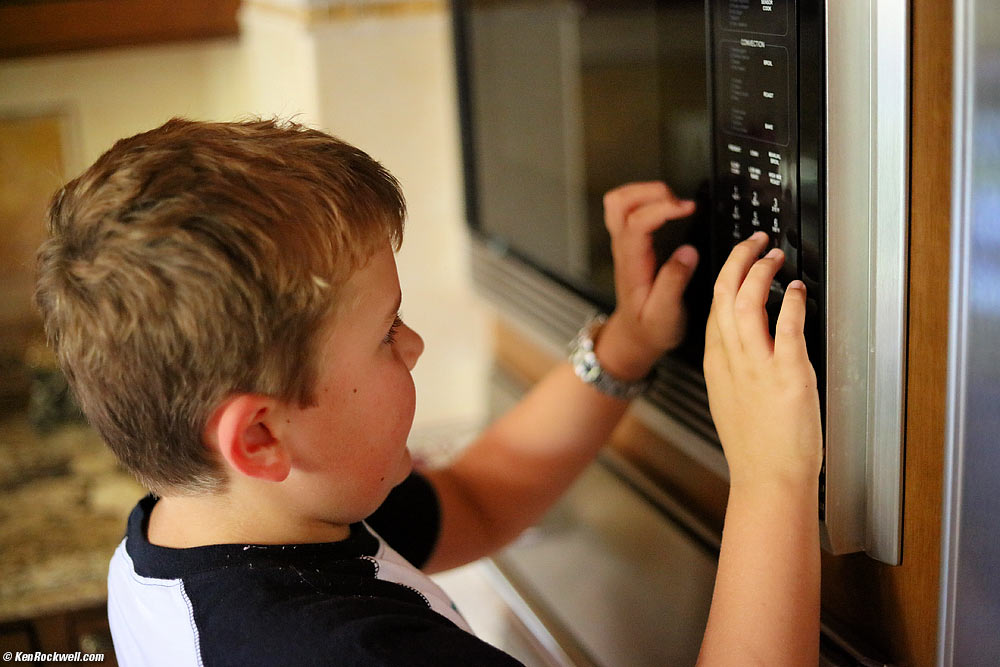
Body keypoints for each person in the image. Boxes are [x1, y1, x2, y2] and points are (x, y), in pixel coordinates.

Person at [34, 118, 822, 666]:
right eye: (387, 331)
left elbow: (479, 499)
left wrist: (626, 342)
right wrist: (772, 478)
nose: (412, 344)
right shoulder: (349, 654)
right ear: (261, 437)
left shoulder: (230, 517)